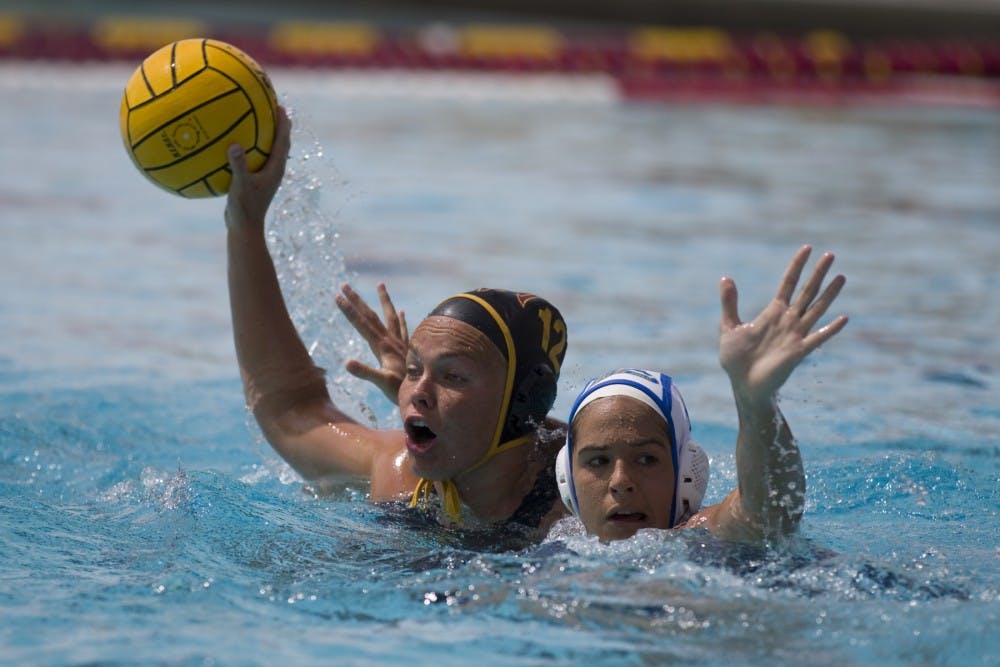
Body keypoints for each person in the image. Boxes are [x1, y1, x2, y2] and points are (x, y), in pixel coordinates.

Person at [224, 106, 569, 533]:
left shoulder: (588, 498)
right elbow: (290, 407)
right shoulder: (398, 472)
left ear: (524, 404)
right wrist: (245, 227)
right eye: (413, 369)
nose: (416, 392)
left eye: (454, 377)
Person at [555, 246, 848, 542]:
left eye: (645, 459)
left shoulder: (705, 537)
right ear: (568, 480)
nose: (621, 482)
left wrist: (756, 402)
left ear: (686, 474)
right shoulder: (552, 551)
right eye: (597, 461)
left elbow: (769, 514)